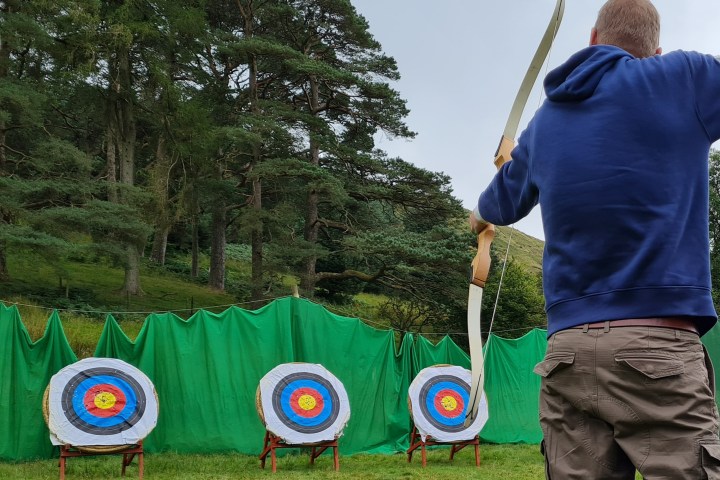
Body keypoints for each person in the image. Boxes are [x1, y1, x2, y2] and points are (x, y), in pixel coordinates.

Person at [470, 0, 720, 478]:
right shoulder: (681, 76)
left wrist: (498, 188)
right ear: (655, 51)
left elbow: (489, 210)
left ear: (591, 39)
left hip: (566, 354)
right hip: (657, 345)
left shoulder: (546, 121)